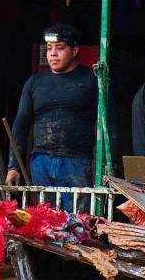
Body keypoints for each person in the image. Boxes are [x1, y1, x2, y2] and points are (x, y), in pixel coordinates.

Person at [6, 23, 100, 187]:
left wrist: (107, 163)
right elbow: (20, 125)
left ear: (75, 50)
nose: (53, 54)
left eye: (60, 48)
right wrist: (13, 166)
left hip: (77, 162)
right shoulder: (35, 82)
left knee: (77, 213)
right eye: (49, 48)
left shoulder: (91, 80)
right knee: (43, 213)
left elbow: (107, 123)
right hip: (41, 162)